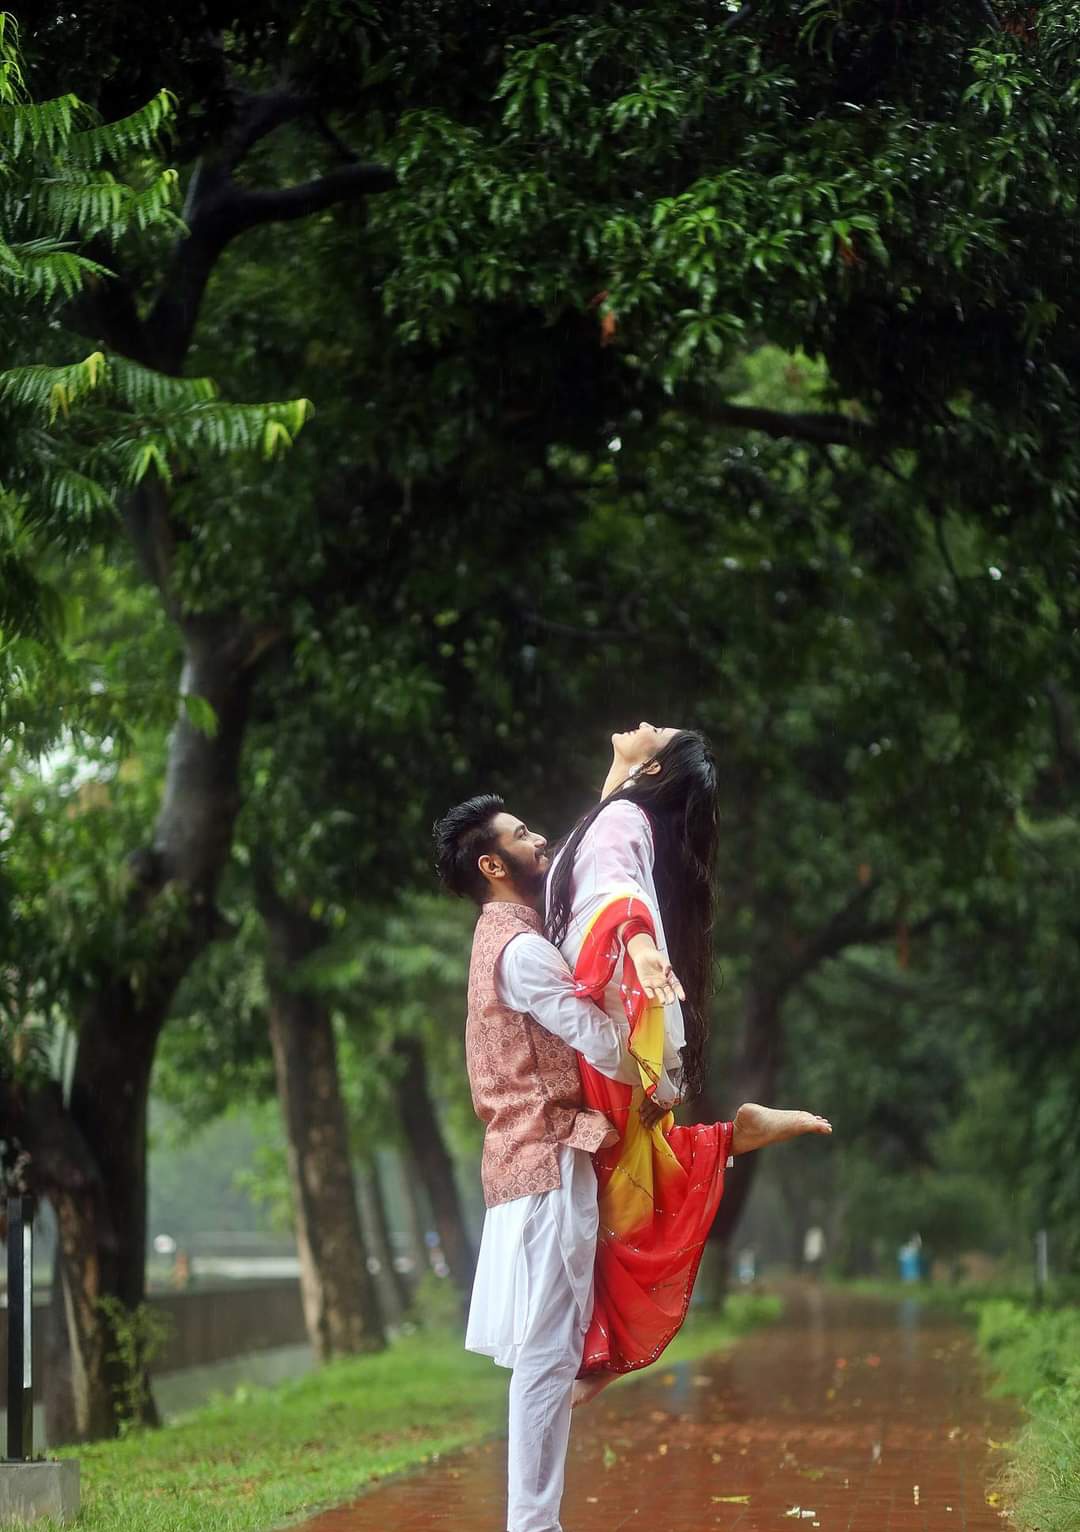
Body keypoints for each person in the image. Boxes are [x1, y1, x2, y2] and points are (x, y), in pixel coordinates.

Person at [545, 722, 832, 1404]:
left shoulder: (620, 821)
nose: (641, 724)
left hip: (602, 1027)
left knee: (624, 1191)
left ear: (653, 771)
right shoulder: (614, 813)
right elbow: (605, 874)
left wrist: (639, 944)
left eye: (656, 732)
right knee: (631, 1176)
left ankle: (599, 1354)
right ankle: (731, 1138)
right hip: (599, 1029)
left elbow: (615, 890)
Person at [433, 793, 656, 1532]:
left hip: (537, 1165)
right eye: (524, 835)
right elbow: (593, 1036)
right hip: (546, 1165)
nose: (542, 839)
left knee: (552, 1353)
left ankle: (535, 1521)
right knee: (546, 1356)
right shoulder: (521, 950)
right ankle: (531, 1525)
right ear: (493, 865)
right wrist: (657, 1064)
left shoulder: (510, 935)